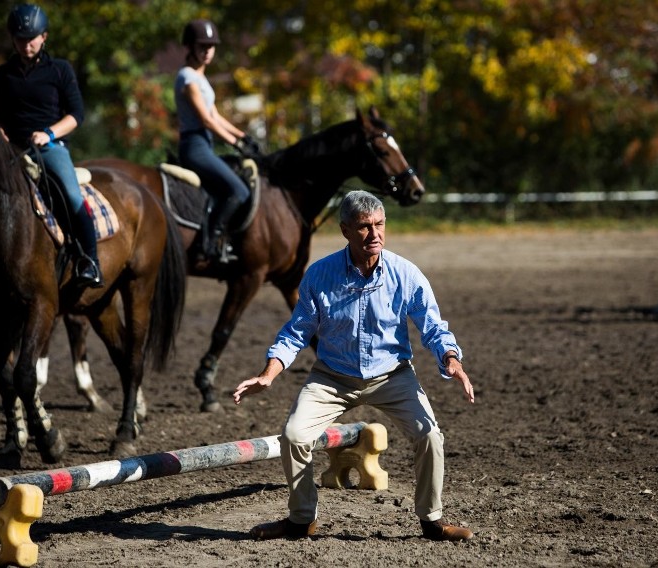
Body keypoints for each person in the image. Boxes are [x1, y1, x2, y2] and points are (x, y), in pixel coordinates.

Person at [233, 190, 476, 542]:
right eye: (364, 227)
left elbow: (433, 326)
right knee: (293, 435)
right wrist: (268, 374)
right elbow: (295, 332)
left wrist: (451, 360)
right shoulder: (319, 275)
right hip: (332, 378)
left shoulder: (406, 274)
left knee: (429, 436)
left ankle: (432, 520)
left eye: (379, 224)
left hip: (392, 375)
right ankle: (302, 519)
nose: (374, 233)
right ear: (346, 230)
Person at [0, 3, 103, 288]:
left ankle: (90, 260)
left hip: (49, 148)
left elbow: (76, 115)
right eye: (20, 38)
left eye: (31, 38)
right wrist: (1, 135)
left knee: (70, 193)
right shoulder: (3, 74)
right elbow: (0, 118)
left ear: (44, 38)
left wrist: (48, 134)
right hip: (12, 150)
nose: (26, 44)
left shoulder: (61, 70)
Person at [175, 19, 257, 264]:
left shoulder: (201, 78)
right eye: (202, 45)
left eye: (211, 45)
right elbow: (206, 121)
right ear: (190, 46)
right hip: (194, 146)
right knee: (239, 191)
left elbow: (216, 116)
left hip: (205, 145)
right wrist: (235, 143)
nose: (208, 50)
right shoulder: (187, 77)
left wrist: (243, 136)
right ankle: (209, 242)